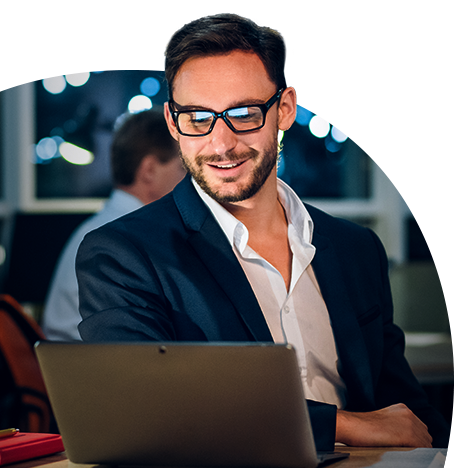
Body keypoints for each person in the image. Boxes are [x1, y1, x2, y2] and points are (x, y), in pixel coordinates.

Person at [75, 14, 450, 450]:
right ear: (173, 122)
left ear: (285, 109)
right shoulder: (122, 254)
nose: (221, 143)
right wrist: (342, 426)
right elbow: (142, 408)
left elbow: (403, 413)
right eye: (198, 118)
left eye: (245, 114)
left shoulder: (355, 248)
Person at [42, 107, 185, 341]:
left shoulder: (99, 227)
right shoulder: (123, 239)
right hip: (90, 370)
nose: (188, 180)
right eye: (182, 168)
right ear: (149, 170)